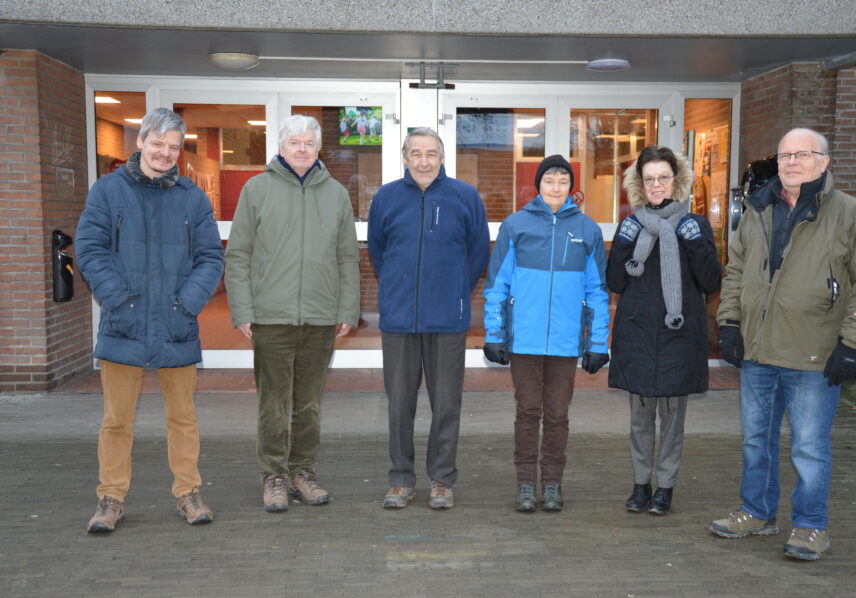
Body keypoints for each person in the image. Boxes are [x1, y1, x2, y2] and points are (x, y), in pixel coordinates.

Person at [709, 128, 856, 560]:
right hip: (757, 351)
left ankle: (811, 526)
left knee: (809, 448)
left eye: (803, 154)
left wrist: (852, 344)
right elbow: (736, 272)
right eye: (784, 154)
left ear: (824, 162)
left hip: (815, 355)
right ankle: (757, 511)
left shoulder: (848, 212)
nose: (791, 162)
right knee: (756, 440)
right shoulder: (757, 208)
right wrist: (731, 323)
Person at [75, 108, 224, 532]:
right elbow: (90, 250)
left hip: (175, 323)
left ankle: (188, 493)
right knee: (117, 419)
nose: (165, 153)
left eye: (173, 146)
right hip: (125, 321)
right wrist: (118, 300)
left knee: (183, 417)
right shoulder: (107, 192)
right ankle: (110, 498)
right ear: (139, 142)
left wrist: (186, 304)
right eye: (157, 143)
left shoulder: (192, 198)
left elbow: (211, 257)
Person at [225, 115, 360, 513]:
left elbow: (347, 256)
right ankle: (274, 476)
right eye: (294, 143)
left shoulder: (336, 193)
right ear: (281, 147)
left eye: (308, 143)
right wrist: (242, 310)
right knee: (273, 404)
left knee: (309, 403)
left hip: (320, 318)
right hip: (271, 317)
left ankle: (304, 472)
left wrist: (347, 307)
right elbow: (238, 254)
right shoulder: (257, 189)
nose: (302, 149)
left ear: (317, 149)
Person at [368, 127, 490, 510]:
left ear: (441, 157)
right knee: (399, 404)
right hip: (400, 320)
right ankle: (401, 480)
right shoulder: (386, 198)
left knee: (447, 404)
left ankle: (441, 480)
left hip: (447, 321)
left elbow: (477, 253)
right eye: (416, 153)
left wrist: (455, 290)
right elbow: (377, 252)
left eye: (431, 153)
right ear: (405, 157)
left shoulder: (465, 197)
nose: (424, 160)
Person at [483, 155, 610, 513]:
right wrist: (495, 333)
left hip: (566, 344)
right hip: (524, 340)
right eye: (549, 180)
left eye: (562, 181)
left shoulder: (587, 231)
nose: (556, 187)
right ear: (538, 185)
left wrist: (598, 342)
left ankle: (552, 485)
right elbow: (497, 284)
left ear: (572, 187)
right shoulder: (515, 226)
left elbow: (597, 291)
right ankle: (526, 484)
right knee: (527, 412)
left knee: (557, 415)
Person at [607, 146, 722, 516]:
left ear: (678, 181)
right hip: (639, 335)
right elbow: (615, 281)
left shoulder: (696, 224)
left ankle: (666, 488)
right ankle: (641, 485)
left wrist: (694, 243)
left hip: (678, 336)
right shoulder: (632, 225)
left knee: (672, 422)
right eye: (649, 179)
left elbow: (709, 280)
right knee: (640, 420)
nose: (657, 185)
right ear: (639, 184)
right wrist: (623, 243)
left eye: (664, 178)